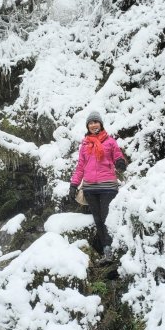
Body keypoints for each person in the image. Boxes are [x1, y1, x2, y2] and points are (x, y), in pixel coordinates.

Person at [69, 111, 127, 262]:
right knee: (98, 220)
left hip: (108, 186)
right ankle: (107, 251)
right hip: (90, 188)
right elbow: (81, 166)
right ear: (87, 126)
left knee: (107, 218)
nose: (94, 124)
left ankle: (116, 249)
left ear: (101, 124)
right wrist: (74, 184)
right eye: (91, 122)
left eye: (96, 122)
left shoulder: (110, 141)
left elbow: (117, 155)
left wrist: (120, 162)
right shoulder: (85, 145)